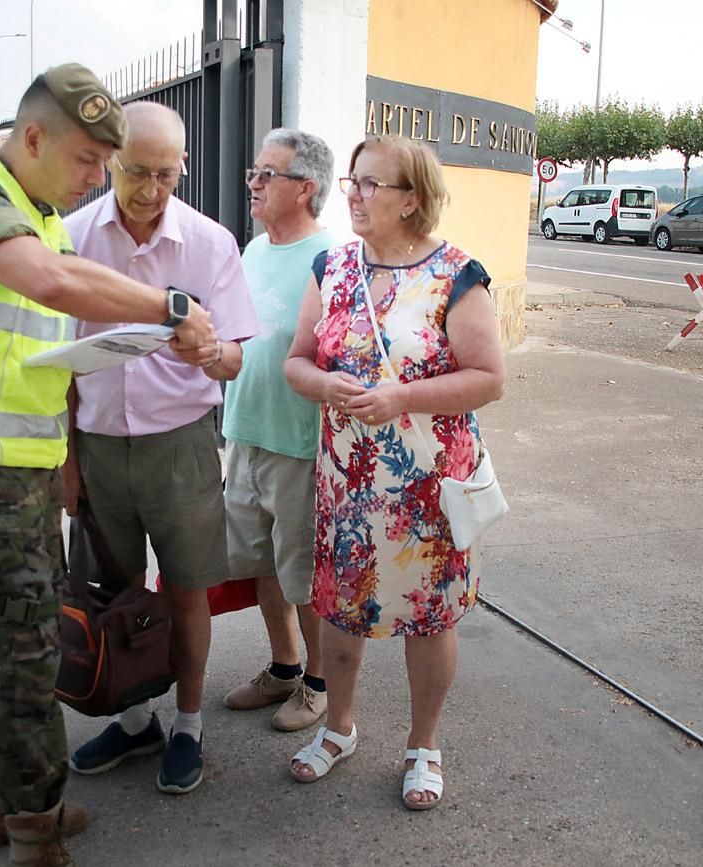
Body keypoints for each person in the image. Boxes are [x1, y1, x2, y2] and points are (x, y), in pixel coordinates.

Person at [0, 65, 215, 866]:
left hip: (18, 465)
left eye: (111, 165)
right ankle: (34, 832)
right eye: (88, 163)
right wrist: (167, 306)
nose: (98, 181)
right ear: (32, 138)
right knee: (26, 648)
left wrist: (64, 454)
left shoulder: (37, 211)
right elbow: (45, 280)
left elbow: (39, 339)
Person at [281, 135, 505, 810]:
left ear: (413, 199)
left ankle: (423, 744)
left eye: (371, 183)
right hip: (349, 481)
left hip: (428, 490)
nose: (353, 192)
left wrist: (401, 395)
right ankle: (340, 727)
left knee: (429, 618)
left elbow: (489, 379)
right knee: (343, 611)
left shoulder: (457, 275)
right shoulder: (333, 266)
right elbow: (296, 361)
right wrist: (326, 386)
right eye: (352, 181)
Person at [63, 101, 258, 795]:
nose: (150, 190)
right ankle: (136, 715)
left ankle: (188, 722)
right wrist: (67, 459)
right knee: (115, 589)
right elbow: (54, 356)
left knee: (186, 591)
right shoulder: (72, 236)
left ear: (182, 169)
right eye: (137, 172)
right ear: (112, 159)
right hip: (96, 442)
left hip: (180, 445)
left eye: (166, 176)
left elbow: (235, 359)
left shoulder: (208, 244)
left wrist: (211, 350)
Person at [221, 128, 336, 732]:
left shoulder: (334, 260)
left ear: (305, 188)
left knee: (304, 575)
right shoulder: (253, 249)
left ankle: (321, 682)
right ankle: (285, 668)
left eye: (268, 175)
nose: (255, 185)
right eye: (255, 173)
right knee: (262, 564)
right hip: (245, 431)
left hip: (299, 443)